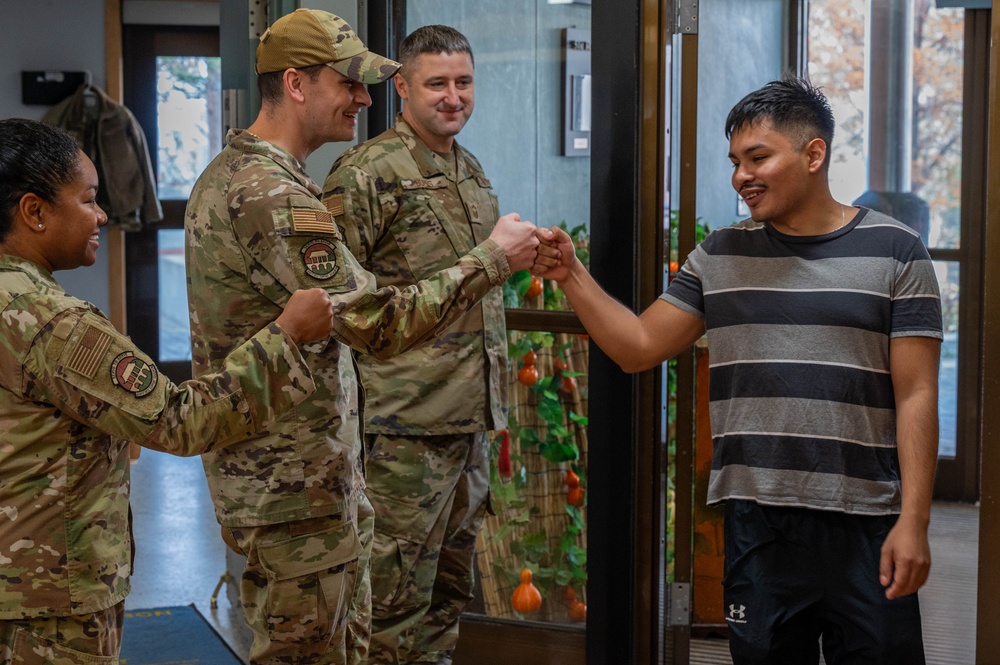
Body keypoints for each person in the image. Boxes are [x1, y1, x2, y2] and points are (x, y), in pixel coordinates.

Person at [183, 9, 547, 665]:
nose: (363, 96)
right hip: (298, 473)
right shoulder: (274, 191)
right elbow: (373, 319)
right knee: (347, 637)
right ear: (297, 85)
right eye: (349, 81)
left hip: (310, 467)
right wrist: (491, 258)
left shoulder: (262, 177)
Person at [536, 76, 941, 664]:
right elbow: (640, 345)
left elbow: (917, 395)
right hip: (760, 524)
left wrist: (915, 521)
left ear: (813, 154)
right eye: (735, 161)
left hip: (868, 522)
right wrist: (572, 274)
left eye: (758, 158)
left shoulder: (898, 252)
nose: (740, 176)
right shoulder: (721, 254)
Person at [0, 118, 334, 661]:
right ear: (35, 212)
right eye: (87, 200)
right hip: (45, 602)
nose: (102, 215)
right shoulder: (52, 324)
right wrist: (286, 337)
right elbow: (179, 421)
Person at [320, 24, 506, 664]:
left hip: (467, 420)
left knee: (449, 594)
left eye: (463, 82)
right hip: (404, 429)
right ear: (402, 87)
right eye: (437, 84)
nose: (452, 97)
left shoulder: (468, 168)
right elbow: (343, 308)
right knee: (391, 603)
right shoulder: (367, 173)